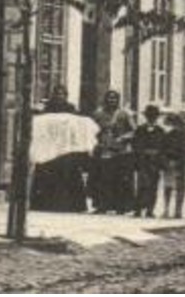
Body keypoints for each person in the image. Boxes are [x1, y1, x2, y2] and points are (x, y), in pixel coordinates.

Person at [32, 84, 88, 213]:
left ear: (66, 96)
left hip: (65, 147)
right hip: (50, 146)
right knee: (47, 173)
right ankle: (45, 204)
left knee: (68, 174)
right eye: (57, 93)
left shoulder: (71, 109)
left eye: (62, 94)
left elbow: (75, 127)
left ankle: (70, 205)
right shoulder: (47, 108)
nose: (59, 96)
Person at [90, 90, 135, 213]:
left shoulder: (124, 114)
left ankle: (120, 206)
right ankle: (102, 205)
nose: (112, 101)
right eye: (109, 98)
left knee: (119, 180)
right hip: (104, 149)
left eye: (114, 98)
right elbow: (92, 130)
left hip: (120, 151)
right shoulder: (98, 114)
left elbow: (133, 131)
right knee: (103, 179)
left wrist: (122, 138)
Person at [131, 105, 168, 218]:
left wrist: (160, 159)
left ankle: (150, 209)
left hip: (155, 162)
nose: (151, 118)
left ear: (157, 117)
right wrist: (140, 155)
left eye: (154, 116)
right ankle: (138, 209)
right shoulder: (140, 129)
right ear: (146, 116)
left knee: (153, 185)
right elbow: (135, 144)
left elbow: (164, 147)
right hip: (143, 161)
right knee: (142, 184)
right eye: (149, 116)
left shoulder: (160, 131)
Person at [161, 112, 185, 219]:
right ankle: (167, 209)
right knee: (168, 186)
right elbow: (163, 149)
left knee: (181, 187)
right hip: (171, 163)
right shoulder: (168, 135)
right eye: (174, 124)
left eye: (178, 123)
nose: (176, 126)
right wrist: (166, 162)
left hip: (183, 164)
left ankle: (178, 210)